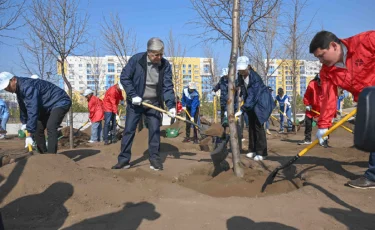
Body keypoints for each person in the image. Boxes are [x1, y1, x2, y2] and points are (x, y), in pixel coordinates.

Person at [310, 30, 375, 189]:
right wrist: (323, 125)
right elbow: (328, 97)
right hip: (367, 103)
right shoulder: (327, 71)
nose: (320, 61)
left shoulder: (366, 41)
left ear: (333, 46)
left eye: (321, 55)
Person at [112, 37, 176, 171]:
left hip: (154, 103)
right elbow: (124, 77)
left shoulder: (165, 65)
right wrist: (133, 94)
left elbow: (167, 87)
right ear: (149, 52)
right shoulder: (137, 60)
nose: (159, 57)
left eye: (161, 54)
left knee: (154, 131)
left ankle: (154, 160)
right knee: (129, 130)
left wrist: (171, 105)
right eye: (156, 55)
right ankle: (123, 160)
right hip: (136, 104)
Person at [0, 72, 71, 153]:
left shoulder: (27, 86)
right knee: (38, 128)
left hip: (60, 101)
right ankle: (43, 155)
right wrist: (24, 122)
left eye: (7, 86)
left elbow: (33, 109)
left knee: (51, 126)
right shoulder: (19, 89)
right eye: (5, 88)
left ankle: (51, 157)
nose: (7, 89)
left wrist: (29, 134)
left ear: (14, 80)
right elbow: (23, 107)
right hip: (47, 106)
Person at [235, 56, 275, 161]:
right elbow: (238, 86)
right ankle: (252, 150)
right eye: (239, 69)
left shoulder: (255, 78)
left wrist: (242, 109)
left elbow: (252, 95)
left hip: (261, 103)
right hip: (251, 103)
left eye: (243, 69)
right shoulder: (240, 76)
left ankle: (262, 152)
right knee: (251, 126)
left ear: (248, 66)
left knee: (258, 126)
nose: (241, 71)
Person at [298, 74, 322, 145]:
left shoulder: (326, 86)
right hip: (311, 108)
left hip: (321, 108)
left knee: (324, 124)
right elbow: (306, 96)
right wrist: (307, 104)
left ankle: (324, 139)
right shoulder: (312, 85)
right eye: (320, 81)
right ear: (317, 80)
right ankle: (307, 139)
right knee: (308, 123)